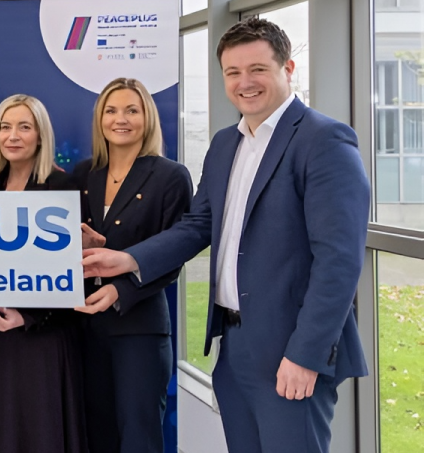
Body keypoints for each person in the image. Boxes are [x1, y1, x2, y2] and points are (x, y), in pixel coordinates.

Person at [82, 18, 369, 453]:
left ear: (288, 68)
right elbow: (197, 225)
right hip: (234, 349)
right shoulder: (224, 144)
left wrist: (305, 355)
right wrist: (129, 259)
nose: (244, 82)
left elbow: (339, 261)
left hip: (290, 349)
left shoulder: (323, 139)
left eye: (257, 69)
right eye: (233, 72)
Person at [72, 78, 193, 453]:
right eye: (111, 110)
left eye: (131, 110)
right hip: (84, 329)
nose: (120, 119)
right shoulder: (83, 174)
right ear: (100, 119)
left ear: (147, 118)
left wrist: (120, 290)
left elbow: (172, 255)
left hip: (139, 330)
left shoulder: (171, 176)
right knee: (95, 436)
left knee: (139, 437)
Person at [0, 94, 90, 453]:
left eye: (24, 127)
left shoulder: (62, 187)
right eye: (5, 127)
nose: (13, 136)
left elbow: (74, 276)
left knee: (38, 433)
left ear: (40, 135)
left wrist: (27, 317)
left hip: (41, 336)